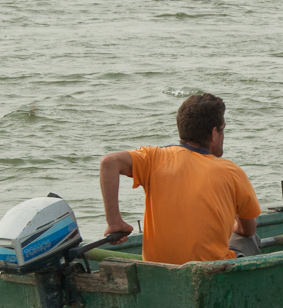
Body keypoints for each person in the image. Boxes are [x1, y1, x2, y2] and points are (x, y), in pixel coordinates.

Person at [99, 93, 261, 265]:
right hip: (211, 272)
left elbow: (109, 162)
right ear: (214, 133)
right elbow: (248, 229)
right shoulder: (231, 171)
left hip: (158, 271)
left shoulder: (154, 158)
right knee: (250, 239)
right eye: (223, 129)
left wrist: (114, 222)